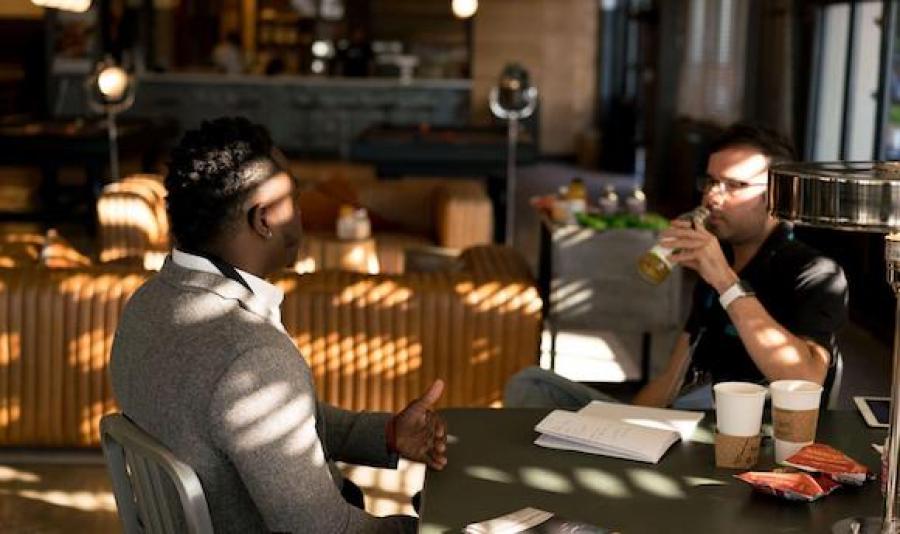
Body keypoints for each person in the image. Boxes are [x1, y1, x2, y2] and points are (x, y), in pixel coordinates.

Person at [110, 117, 446, 533]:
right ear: (265, 218)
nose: (302, 213)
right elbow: (326, 530)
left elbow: (261, 427)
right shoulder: (251, 355)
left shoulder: (147, 304)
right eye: (296, 198)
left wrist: (388, 434)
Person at [505, 123, 849, 410]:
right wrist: (623, 430)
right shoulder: (720, 259)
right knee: (531, 386)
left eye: (735, 186)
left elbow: (806, 380)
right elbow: (671, 380)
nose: (713, 196)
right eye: (711, 181)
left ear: (777, 195)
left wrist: (726, 283)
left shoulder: (815, 272)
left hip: (744, 436)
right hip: (681, 419)